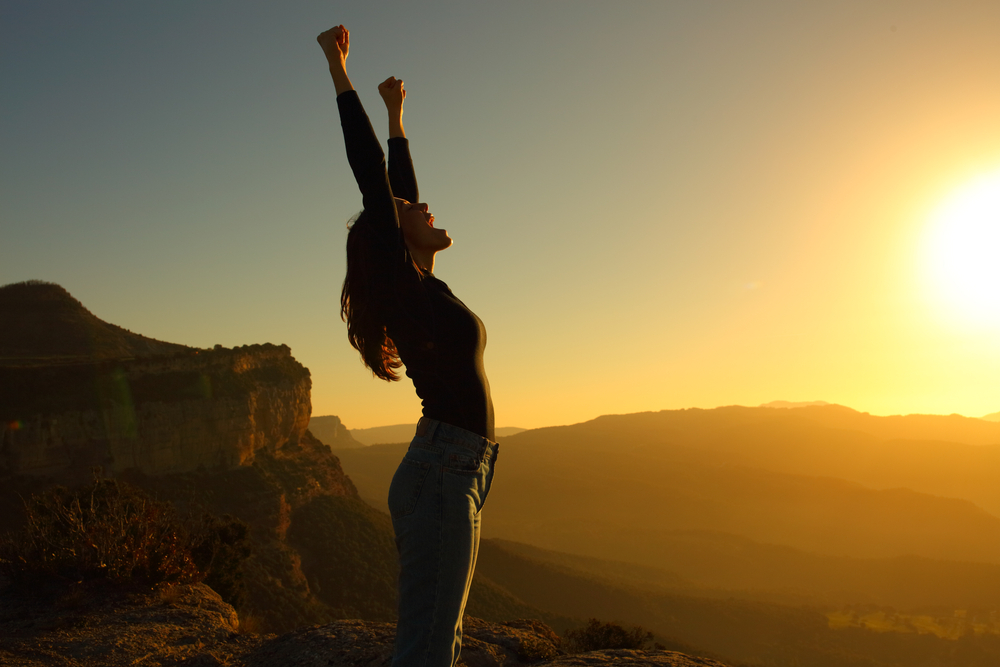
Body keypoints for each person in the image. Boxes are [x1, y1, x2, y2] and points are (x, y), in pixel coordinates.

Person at [317, 25, 499, 667]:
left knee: (436, 637)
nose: (424, 208)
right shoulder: (404, 283)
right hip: (443, 472)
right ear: (393, 235)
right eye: (410, 210)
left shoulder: (422, 285)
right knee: (426, 645)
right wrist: (339, 71)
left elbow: (399, 190)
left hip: (460, 469)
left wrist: (399, 119)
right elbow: (375, 182)